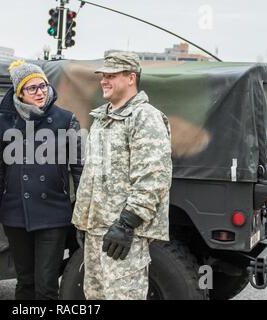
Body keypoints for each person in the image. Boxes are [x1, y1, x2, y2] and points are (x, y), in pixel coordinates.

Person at [72, 52, 172, 300]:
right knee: (94, 296)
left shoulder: (144, 117)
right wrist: (83, 220)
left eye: (112, 76)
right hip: (96, 229)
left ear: (131, 78)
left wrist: (127, 223)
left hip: (124, 232)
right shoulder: (102, 118)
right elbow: (93, 174)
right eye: (103, 76)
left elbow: (154, 177)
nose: (104, 81)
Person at [0, 60, 83, 300]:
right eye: (32, 88)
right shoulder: (5, 122)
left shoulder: (65, 120)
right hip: (15, 214)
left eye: (43, 86)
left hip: (53, 213)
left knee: (46, 285)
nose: (41, 92)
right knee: (25, 282)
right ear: (20, 92)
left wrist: (82, 213)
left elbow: (79, 170)